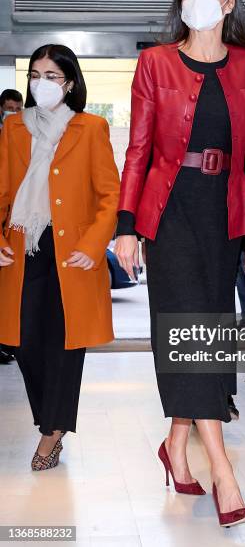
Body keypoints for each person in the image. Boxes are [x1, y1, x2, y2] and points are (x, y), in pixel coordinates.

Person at [114, 0, 245, 527]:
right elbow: (138, 149)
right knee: (190, 326)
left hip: (224, 215)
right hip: (169, 213)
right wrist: (125, 225)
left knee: (210, 330)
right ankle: (221, 468)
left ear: (230, 2)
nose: (198, 1)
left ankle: (175, 443)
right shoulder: (155, 63)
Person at [0, 44, 120, 469]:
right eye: (35, 74)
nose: (41, 83)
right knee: (26, 341)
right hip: (23, 246)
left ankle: (52, 433)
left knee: (67, 343)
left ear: (69, 82)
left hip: (72, 252)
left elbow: (109, 195)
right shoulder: (15, 128)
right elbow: (4, 191)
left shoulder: (91, 127)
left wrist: (93, 246)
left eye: (51, 76)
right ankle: (48, 421)